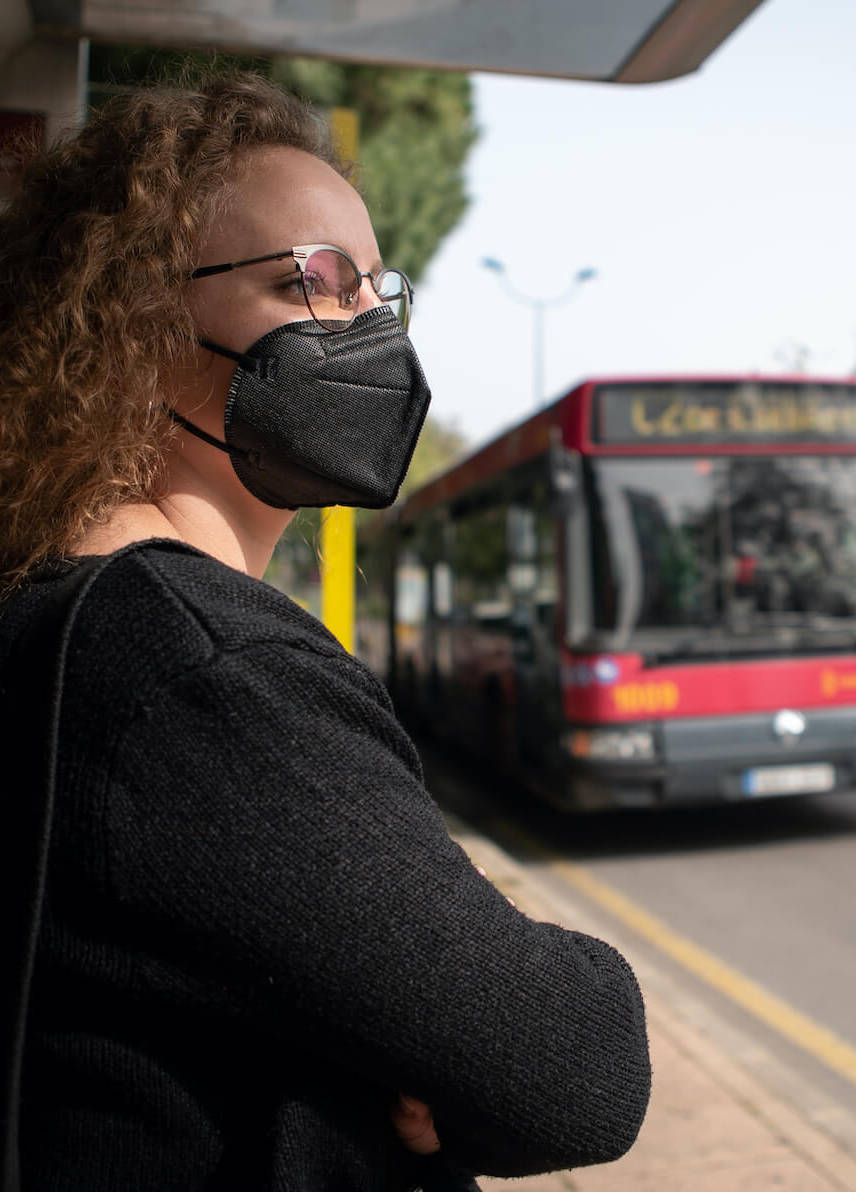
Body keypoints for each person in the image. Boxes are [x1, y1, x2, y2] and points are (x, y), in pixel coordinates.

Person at [0, 73, 650, 1191]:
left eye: (376, 294)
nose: (367, 332)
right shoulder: (200, 669)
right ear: (138, 318)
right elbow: (578, 1065)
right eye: (313, 283)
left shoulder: (64, 605)